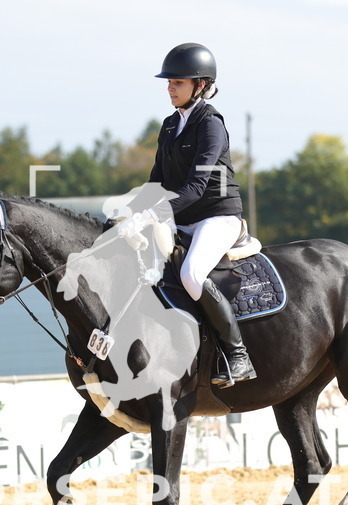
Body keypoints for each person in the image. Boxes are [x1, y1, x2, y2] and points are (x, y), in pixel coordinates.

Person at [120, 42, 256, 387]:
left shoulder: (211, 125)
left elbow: (196, 187)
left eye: (177, 83)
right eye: (169, 82)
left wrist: (150, 216)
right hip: (181, 217)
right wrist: (125, 214)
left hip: (217, 216)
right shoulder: (170, 125)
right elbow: (157, 182)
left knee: (192, 275)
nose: (170, 88)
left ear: (201, 84)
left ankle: (238, 354)